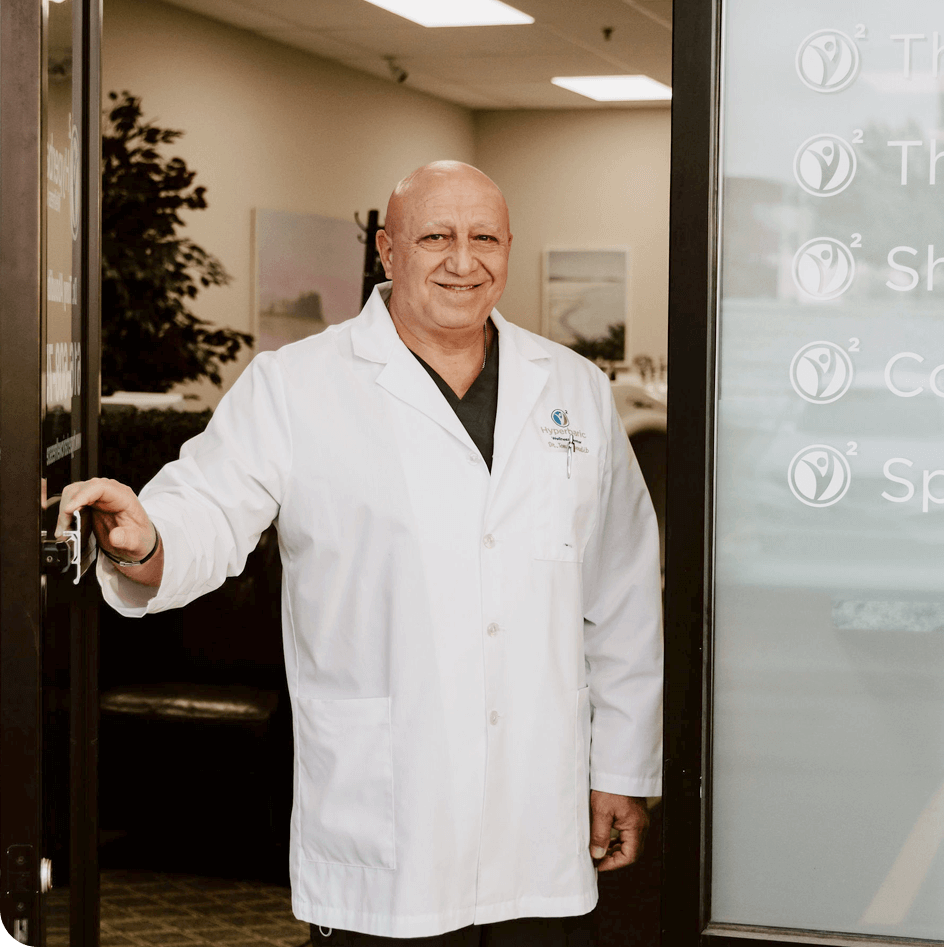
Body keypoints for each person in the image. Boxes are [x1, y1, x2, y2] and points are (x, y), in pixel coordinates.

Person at [57, 161, 663, 945]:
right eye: (435, 237)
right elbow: (205, 506)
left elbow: (621, 592)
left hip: (538, 812)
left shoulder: (576, 389)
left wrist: (619, 767)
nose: (462, 260)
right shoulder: (296, 384)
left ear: (509, 247)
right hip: (389, 810)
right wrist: (148, 537)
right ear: (386, 249)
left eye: (484, 238)